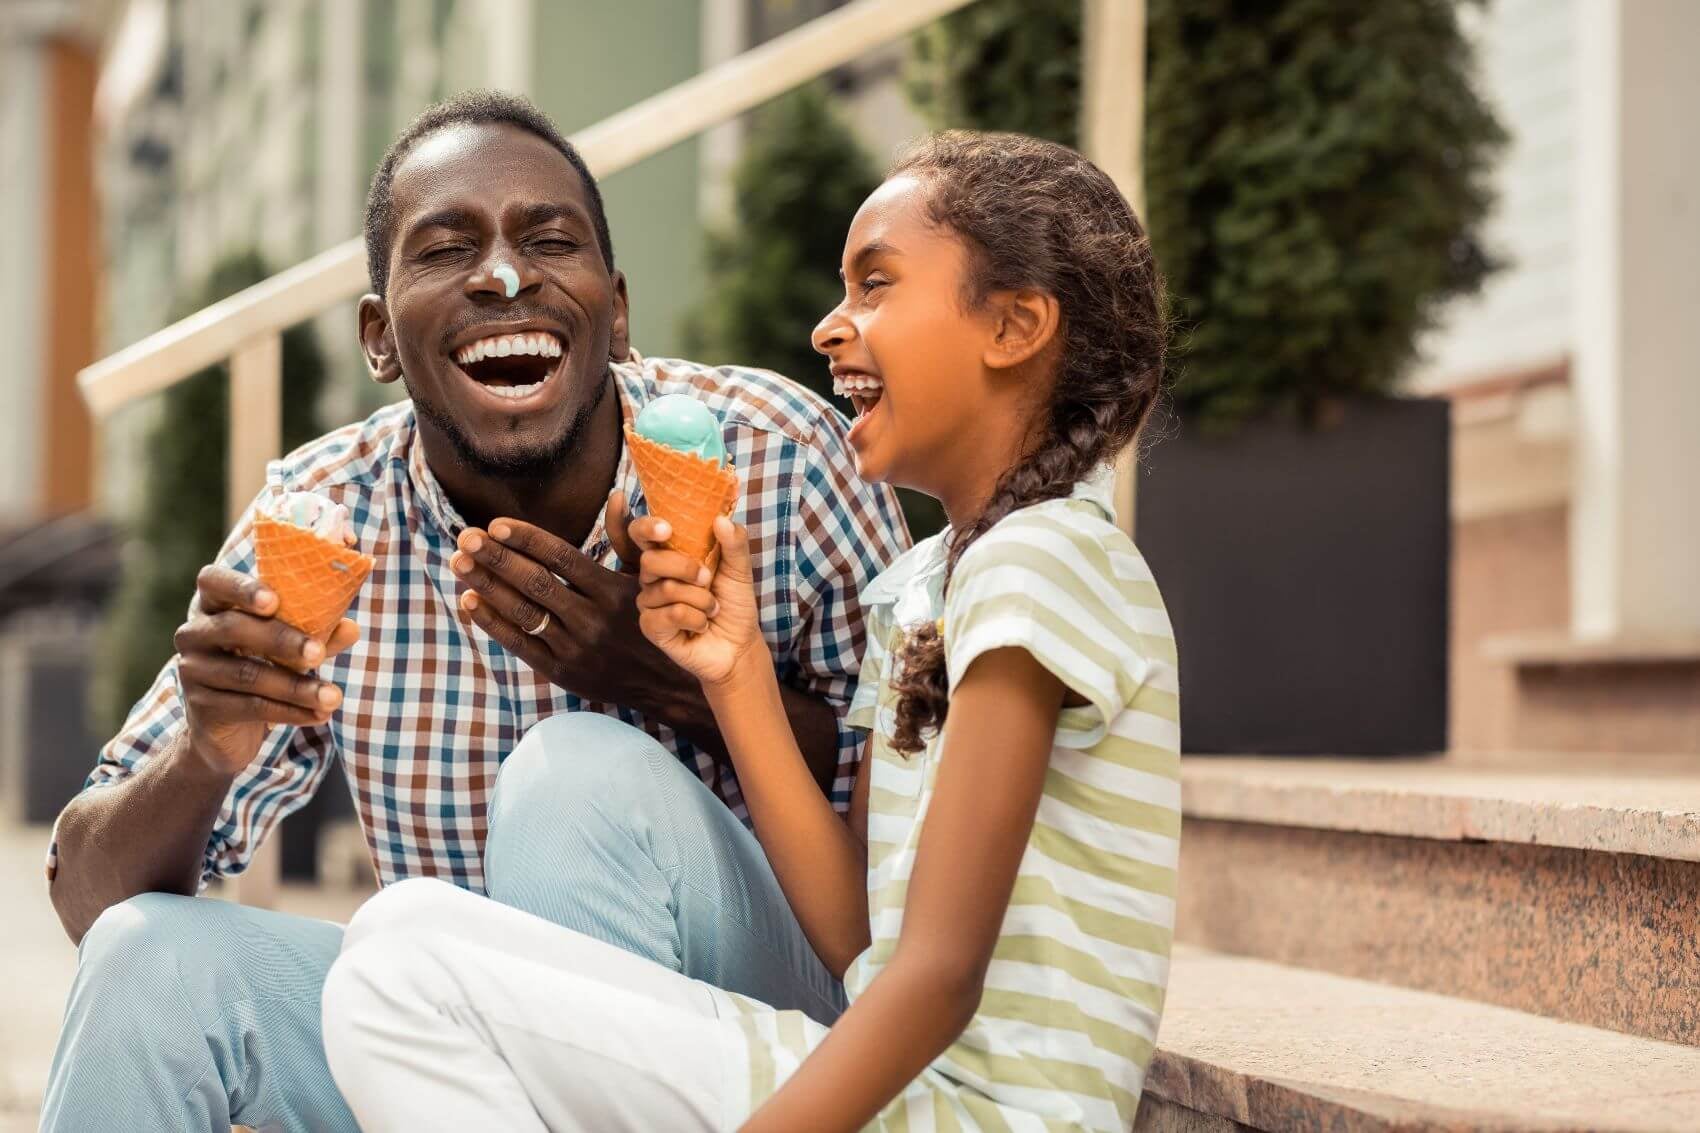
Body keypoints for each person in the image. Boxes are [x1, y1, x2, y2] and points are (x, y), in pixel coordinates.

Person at [40, 91, 909, 1133]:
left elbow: (922, 813)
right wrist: (205, 750)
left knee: (572, 772)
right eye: (447, 248)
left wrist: (668, 685)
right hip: (440, 1051)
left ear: (617, 309)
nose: (503, 274)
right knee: (148, 960)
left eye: (549, 239)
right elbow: (87, 898)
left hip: (768, 1040)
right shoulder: (324, 519)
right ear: (377, 336)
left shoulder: (778, 455)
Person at [323, 130, 1180, 1132]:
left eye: (876, 285)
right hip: (912, 1094)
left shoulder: (1042, 563)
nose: (830, 326)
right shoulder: (923, 586)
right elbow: (865, 935)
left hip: (984, 1114)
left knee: (398, 975)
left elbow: (939, 978)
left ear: (1014, 325)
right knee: (403, 930)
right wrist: (729, 672)